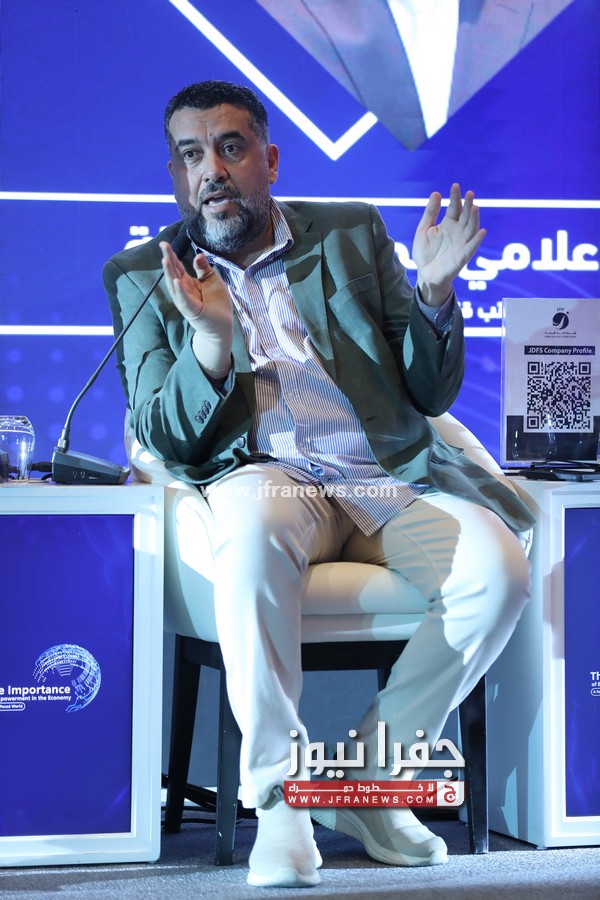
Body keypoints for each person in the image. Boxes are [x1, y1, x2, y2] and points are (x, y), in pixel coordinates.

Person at [103, 80, 535, 889]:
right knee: (252, 534)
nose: (212, 170)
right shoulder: (143, 275)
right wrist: (210, 344)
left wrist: (435, 294)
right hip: (263, 477)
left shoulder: (348, 233)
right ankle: (281, 805)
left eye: (230, 147)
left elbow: (428, 392)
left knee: (498, 569)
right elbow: (164, 434)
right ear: (176, 175)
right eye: (192, 155)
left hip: (378, 474)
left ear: (268, 160)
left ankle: (371, 780)